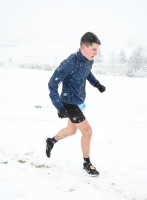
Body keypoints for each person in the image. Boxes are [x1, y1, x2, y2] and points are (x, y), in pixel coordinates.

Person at [46, 32, 106, 176]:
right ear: (84, 47)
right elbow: (52, 83)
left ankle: (51, 141)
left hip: (78, 101)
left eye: (97, 50)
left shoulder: (89, 60)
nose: (96, 53)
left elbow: (87, 73)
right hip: (68, 103)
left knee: (71, 131)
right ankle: (87, 163)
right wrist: (59, 106)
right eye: (94, 49)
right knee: (87, 131)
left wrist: (96, 84)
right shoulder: (70, 62)